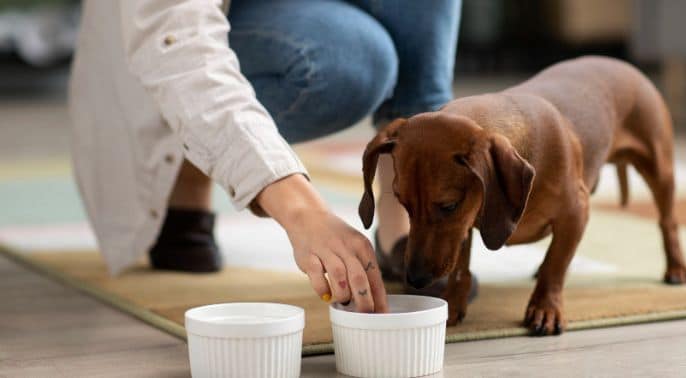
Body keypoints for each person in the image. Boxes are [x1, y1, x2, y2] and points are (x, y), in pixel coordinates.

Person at [68, 0, 461, 313]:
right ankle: (186, 170)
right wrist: (301, 211)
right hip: (182, 31)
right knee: (350, 64)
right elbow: (176, 36)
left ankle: (402, 224)